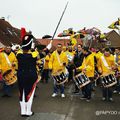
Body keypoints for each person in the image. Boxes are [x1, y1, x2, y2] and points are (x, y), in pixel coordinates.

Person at [16, 34, 39, 117]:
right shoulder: (33, 55)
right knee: (30, 94)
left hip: (21, 76)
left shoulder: (18, 55)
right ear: (30, 45)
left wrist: (29, 47)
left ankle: (23, 111)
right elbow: (41, 54)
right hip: (30, 77)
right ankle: (28, 111)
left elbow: (20, 50)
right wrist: (47, 48)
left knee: (21, 93)